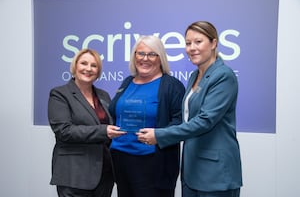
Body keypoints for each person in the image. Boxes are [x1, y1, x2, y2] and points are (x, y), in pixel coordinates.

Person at [137, 21, 243, 197]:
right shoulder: (195, 75)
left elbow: (204, 121)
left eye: (198, 42)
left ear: (214, 43)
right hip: (192, 170)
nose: (191, 48)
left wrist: (160, 135)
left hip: (215, 174)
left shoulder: (224, 76)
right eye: (188, 43)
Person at [108, 35, 185, 197]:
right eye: (140, 53)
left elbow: (180, 122)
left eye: (151, 54)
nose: (145, 59)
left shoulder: (171, 86)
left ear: (160, 58)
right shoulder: (127, 82)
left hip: (152, 164)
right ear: (134, 56)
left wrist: (158, 136)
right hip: (121, 159)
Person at [48, 48, 125, 197]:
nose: (88, 69)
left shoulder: (103, 95)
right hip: (75, 175)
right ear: (75, 66)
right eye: (84, 63)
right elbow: (64, 131)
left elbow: (112, 124)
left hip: (104, 173)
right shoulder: (59, 94)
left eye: (94, 65)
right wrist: (103, 131)